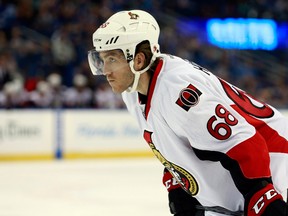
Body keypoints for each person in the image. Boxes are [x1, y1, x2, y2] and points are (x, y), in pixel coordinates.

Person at [88, 9, 288, 216]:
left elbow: (246, 144)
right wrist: (178, 190)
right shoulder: (133, 90)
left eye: (112, 59)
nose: (105, 70)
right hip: (234, 193)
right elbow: (173, 142)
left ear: (138, 60)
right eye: (102, 59)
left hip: (278, 168)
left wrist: (262, 197)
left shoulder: (178, 91)